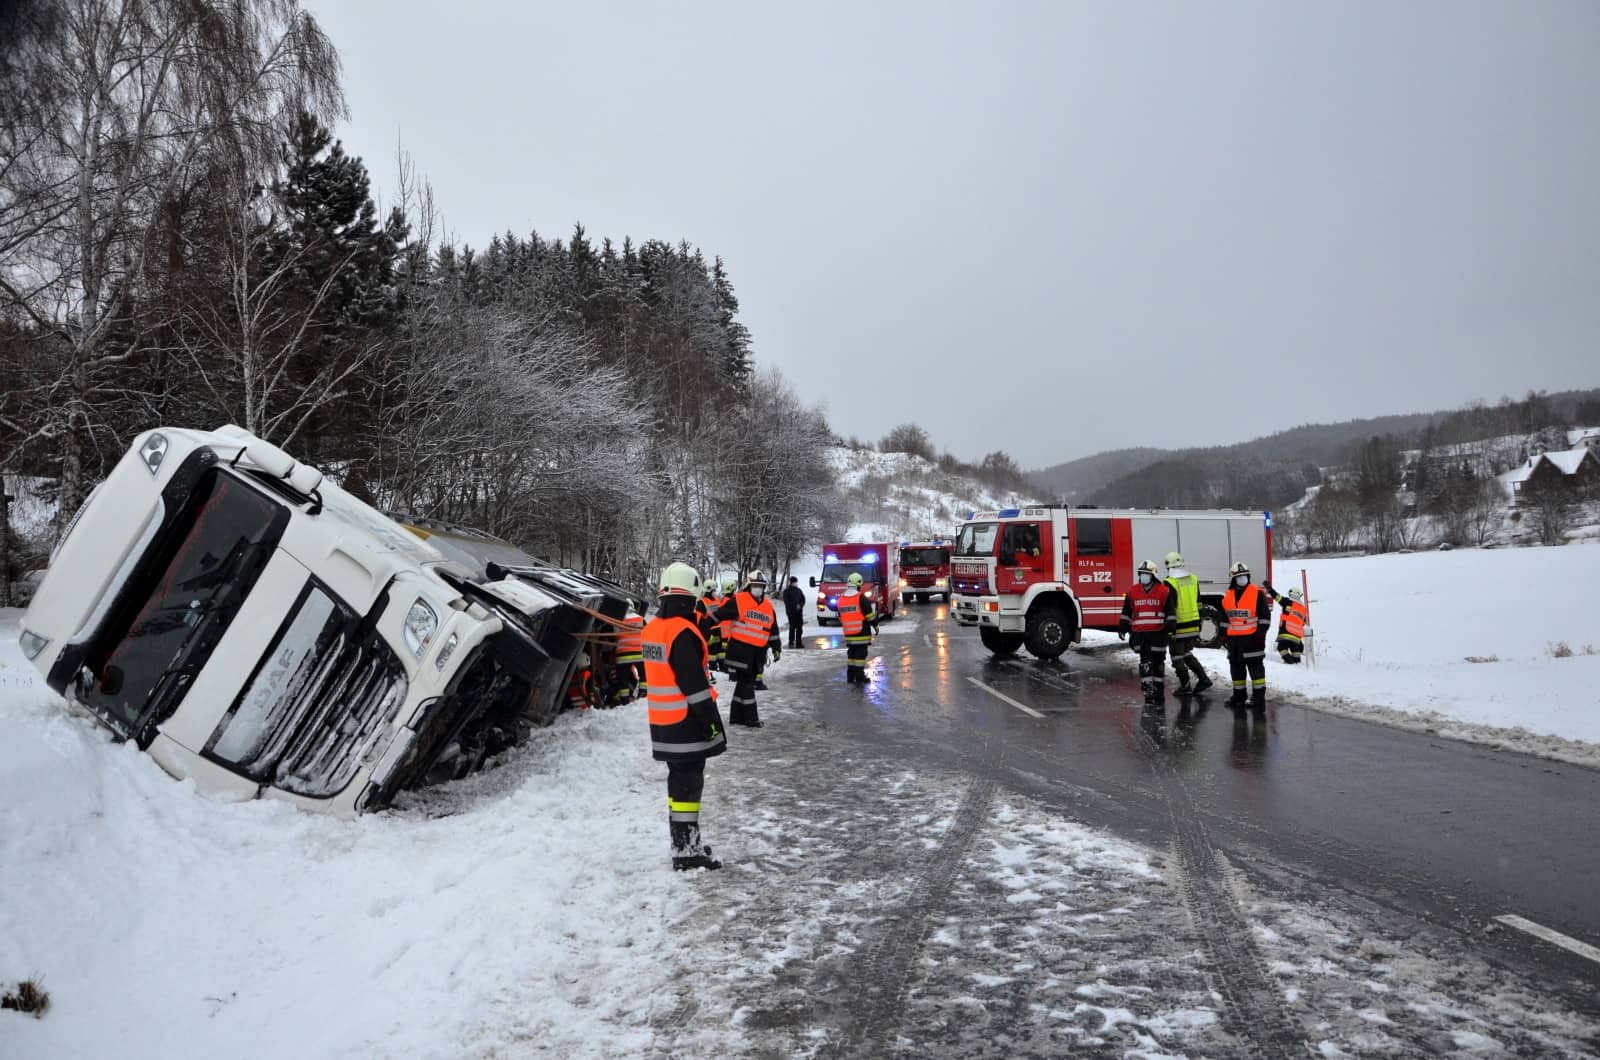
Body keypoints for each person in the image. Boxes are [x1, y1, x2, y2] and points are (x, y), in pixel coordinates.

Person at [643, 561, 726, 871]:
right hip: (686, 724)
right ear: (690, 597)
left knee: (679, 786)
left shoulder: (653, 629)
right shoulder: (681, 632)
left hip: (663, 725)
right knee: (689, 786)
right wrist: (710, 721)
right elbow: (694, 686)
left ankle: (684, 841)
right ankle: (686, 852)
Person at [715, 569, 782, 726]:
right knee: (747, 685)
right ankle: (751, 719)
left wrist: (776, 648)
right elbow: (720, 614)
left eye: (761, 585)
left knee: (743, 685)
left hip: (757, 653)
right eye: (755, 585)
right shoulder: (739, 600)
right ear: (748, 586)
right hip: (740, 651)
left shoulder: (767, 606)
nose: (758, 588)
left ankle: (736, 717)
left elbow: (773, 630)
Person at [1118, 560, 1177, 705]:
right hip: (1141, 635)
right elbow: (1126, 611)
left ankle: (1159, 691)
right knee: (1145, 663)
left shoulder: (1163, 591)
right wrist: (1123, 627)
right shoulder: (1132, 591)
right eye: (1142, 574)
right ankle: (1148, 691)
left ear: (1153, 575)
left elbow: (1170, 612)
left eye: (1147, 574)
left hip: (1158, 634)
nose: (1144, 576)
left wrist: (1171, 629)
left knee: (1158, 663)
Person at [1221, 561, 1272, 709]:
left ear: (1248, 576)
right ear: (1233, 578)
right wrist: (1223, 635)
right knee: (1236, 669)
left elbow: (1264, 617)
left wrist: (1260, 634)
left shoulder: (1257, 592)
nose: (1242, 578)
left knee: (1256, 669)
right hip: (1234, 641)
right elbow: (1225, 617)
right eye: (1239, 576)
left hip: (1252, 639)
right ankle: (1239, 695)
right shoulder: (1228, 594)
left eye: (1244, 576)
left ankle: (1258, 697)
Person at [1163, 551, 1213, 696]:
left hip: (1179, 626)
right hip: (1193, 625)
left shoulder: (1170, 582)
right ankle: (1203, 679)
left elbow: (1170, 608)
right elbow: (1198, 603)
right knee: (1185, 653)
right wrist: (1198, 623)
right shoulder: (1193, 579)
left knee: (1176, 656)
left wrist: (1169, 629)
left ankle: (1185, 686)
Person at [837, 571, 879, 684]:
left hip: (849, 635)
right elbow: (869, 616)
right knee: (860, 656)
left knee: (851, 655)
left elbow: (840, 617)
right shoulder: (861, 598)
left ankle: (850, 677)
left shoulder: (841, 599)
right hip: (861, 634)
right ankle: (860, 677)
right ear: (859, 584)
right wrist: (876, 626)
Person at [1264, 584, 1309, 664]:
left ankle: (1290, 662)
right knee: (1295, 650)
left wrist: (1270, 590)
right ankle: (1297, 663)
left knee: (1281, 648)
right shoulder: (1303, 609)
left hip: (1286, 632)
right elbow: (1303, 623)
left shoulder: (1288, 602)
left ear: (1291, 594)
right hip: (1297, 637)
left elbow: (1277, 597)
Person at [609, 607, 645, 704]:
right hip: (639, 654)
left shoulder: (618, 619)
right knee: (644, 674)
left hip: (623, 654)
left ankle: (624, 699)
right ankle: (643, 693)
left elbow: (615, 635)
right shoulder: (641, 619)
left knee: (623, 678)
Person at [696, 583, 724, 679]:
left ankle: (722, 667)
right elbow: (699, 619)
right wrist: (705, 632)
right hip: (709, 630)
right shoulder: (701, 603)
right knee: (711, 652)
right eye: (714, 590)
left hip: (718, 629)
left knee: (720, 651)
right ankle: (712, 668)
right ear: (709, 590)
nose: (715, 592)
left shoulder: (717, 600)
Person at [783, 575, 807, 649]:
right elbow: (787, 601)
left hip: (799, 612)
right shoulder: (787, 591)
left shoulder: (798, 590)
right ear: (791, 583)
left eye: (796, 582)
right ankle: (791, 642)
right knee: (792, 627)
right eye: (795, 582)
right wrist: (795, 606)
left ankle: (799, 642)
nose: (796, 583)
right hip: (791, 612)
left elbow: (803, 599)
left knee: (799, 627)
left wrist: (800, 605)